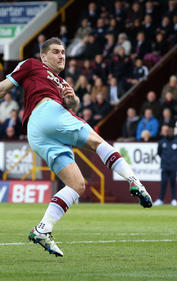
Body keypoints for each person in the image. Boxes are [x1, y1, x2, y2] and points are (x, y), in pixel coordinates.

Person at [0, 37, 152, 257]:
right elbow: (4, 88)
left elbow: (72, 106)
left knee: (77, 185)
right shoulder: (32, 64)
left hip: (40, 133)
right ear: (43, 56)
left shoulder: (61, 82)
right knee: (98, 142)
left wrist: (73, 100)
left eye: (63, 52)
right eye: (55, 52)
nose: (61, 55)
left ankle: (43, 229)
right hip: (44, 114)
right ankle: (134, 181)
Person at [154, 125, 177, 206]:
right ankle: (161, 199)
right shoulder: (162, 142)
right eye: (168, 131)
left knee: (173, 183)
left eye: (171, 131)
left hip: (174, 166)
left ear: (173, 132)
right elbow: (159, 152)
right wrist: (165, 159)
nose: (170, 133)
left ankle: (174, 199)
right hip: (164, 166)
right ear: (166, 132)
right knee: (163, 183)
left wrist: (176, 159)